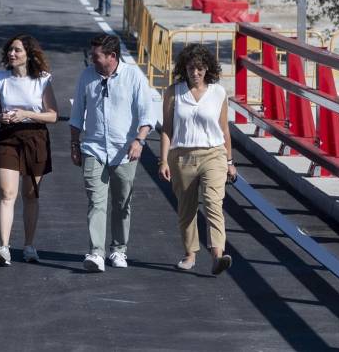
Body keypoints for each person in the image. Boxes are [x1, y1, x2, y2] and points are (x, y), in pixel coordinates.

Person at [69, 34, 155, 272]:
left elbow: (147, 114)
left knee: (121, 203)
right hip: (93, 149)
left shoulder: (133, 76)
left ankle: (118, 250)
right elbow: (77, 114)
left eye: (96, 56)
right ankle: (96, 252)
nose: (92, 60)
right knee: (96, 201)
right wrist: (74, 145)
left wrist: (139, 140)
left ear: (112, 56)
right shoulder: (86, 76)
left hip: (124, 151)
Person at [159, 44, 236, 275]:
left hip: (214, 154)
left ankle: (217, 256)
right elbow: (167, 128)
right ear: (185, 68)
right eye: (191, 68)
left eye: (200, 69)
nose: (195, 73)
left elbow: (224, 129)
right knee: (187, 209)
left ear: (207, 69)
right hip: (182, 156)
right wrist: (163, 161)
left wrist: (230, 162)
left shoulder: (218, 92)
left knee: (214, 203)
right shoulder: (174, 92)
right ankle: (190, 254)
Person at [0, 35, 58, 266]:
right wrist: (0, 117)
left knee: (31, 194)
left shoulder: (42, 80)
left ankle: (29, 245)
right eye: (10, 50)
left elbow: (53, 115)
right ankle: (4, 247)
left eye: (17, 50)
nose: (12, 54)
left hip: (35, 137)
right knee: (7, 193)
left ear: (28, 54)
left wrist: (26, 114)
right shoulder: (0, 79)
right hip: (8, 137)